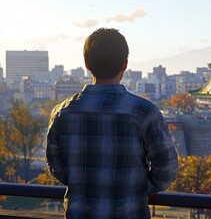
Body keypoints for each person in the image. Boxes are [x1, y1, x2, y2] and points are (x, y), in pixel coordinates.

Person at [46, 28, 178, 218]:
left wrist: (81, 181)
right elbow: (166, 165)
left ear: (87, 64)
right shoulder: (144, 113)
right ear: (124, 64)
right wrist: (139, 186)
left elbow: (55, 166)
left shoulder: (62, 113)